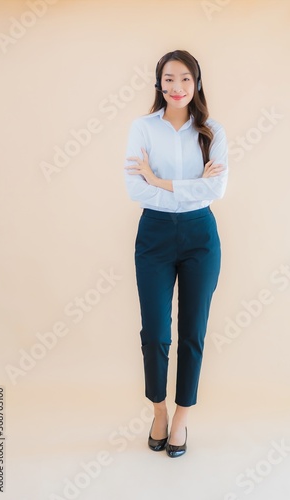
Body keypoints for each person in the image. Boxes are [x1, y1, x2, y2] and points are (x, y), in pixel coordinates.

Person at [124, 49, 228, 458]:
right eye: (169, 79)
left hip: (201, 236)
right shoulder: (142, 129)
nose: (177, 87)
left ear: (197, 83)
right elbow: (136, 190)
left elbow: (215, 191)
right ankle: (159, 412)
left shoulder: (213, 131)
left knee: (193, 332)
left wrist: (159, 180)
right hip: (154, 235)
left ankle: (182, 420)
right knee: (154, 333)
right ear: (159, 83)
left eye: (185, 79)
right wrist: (187, 185)